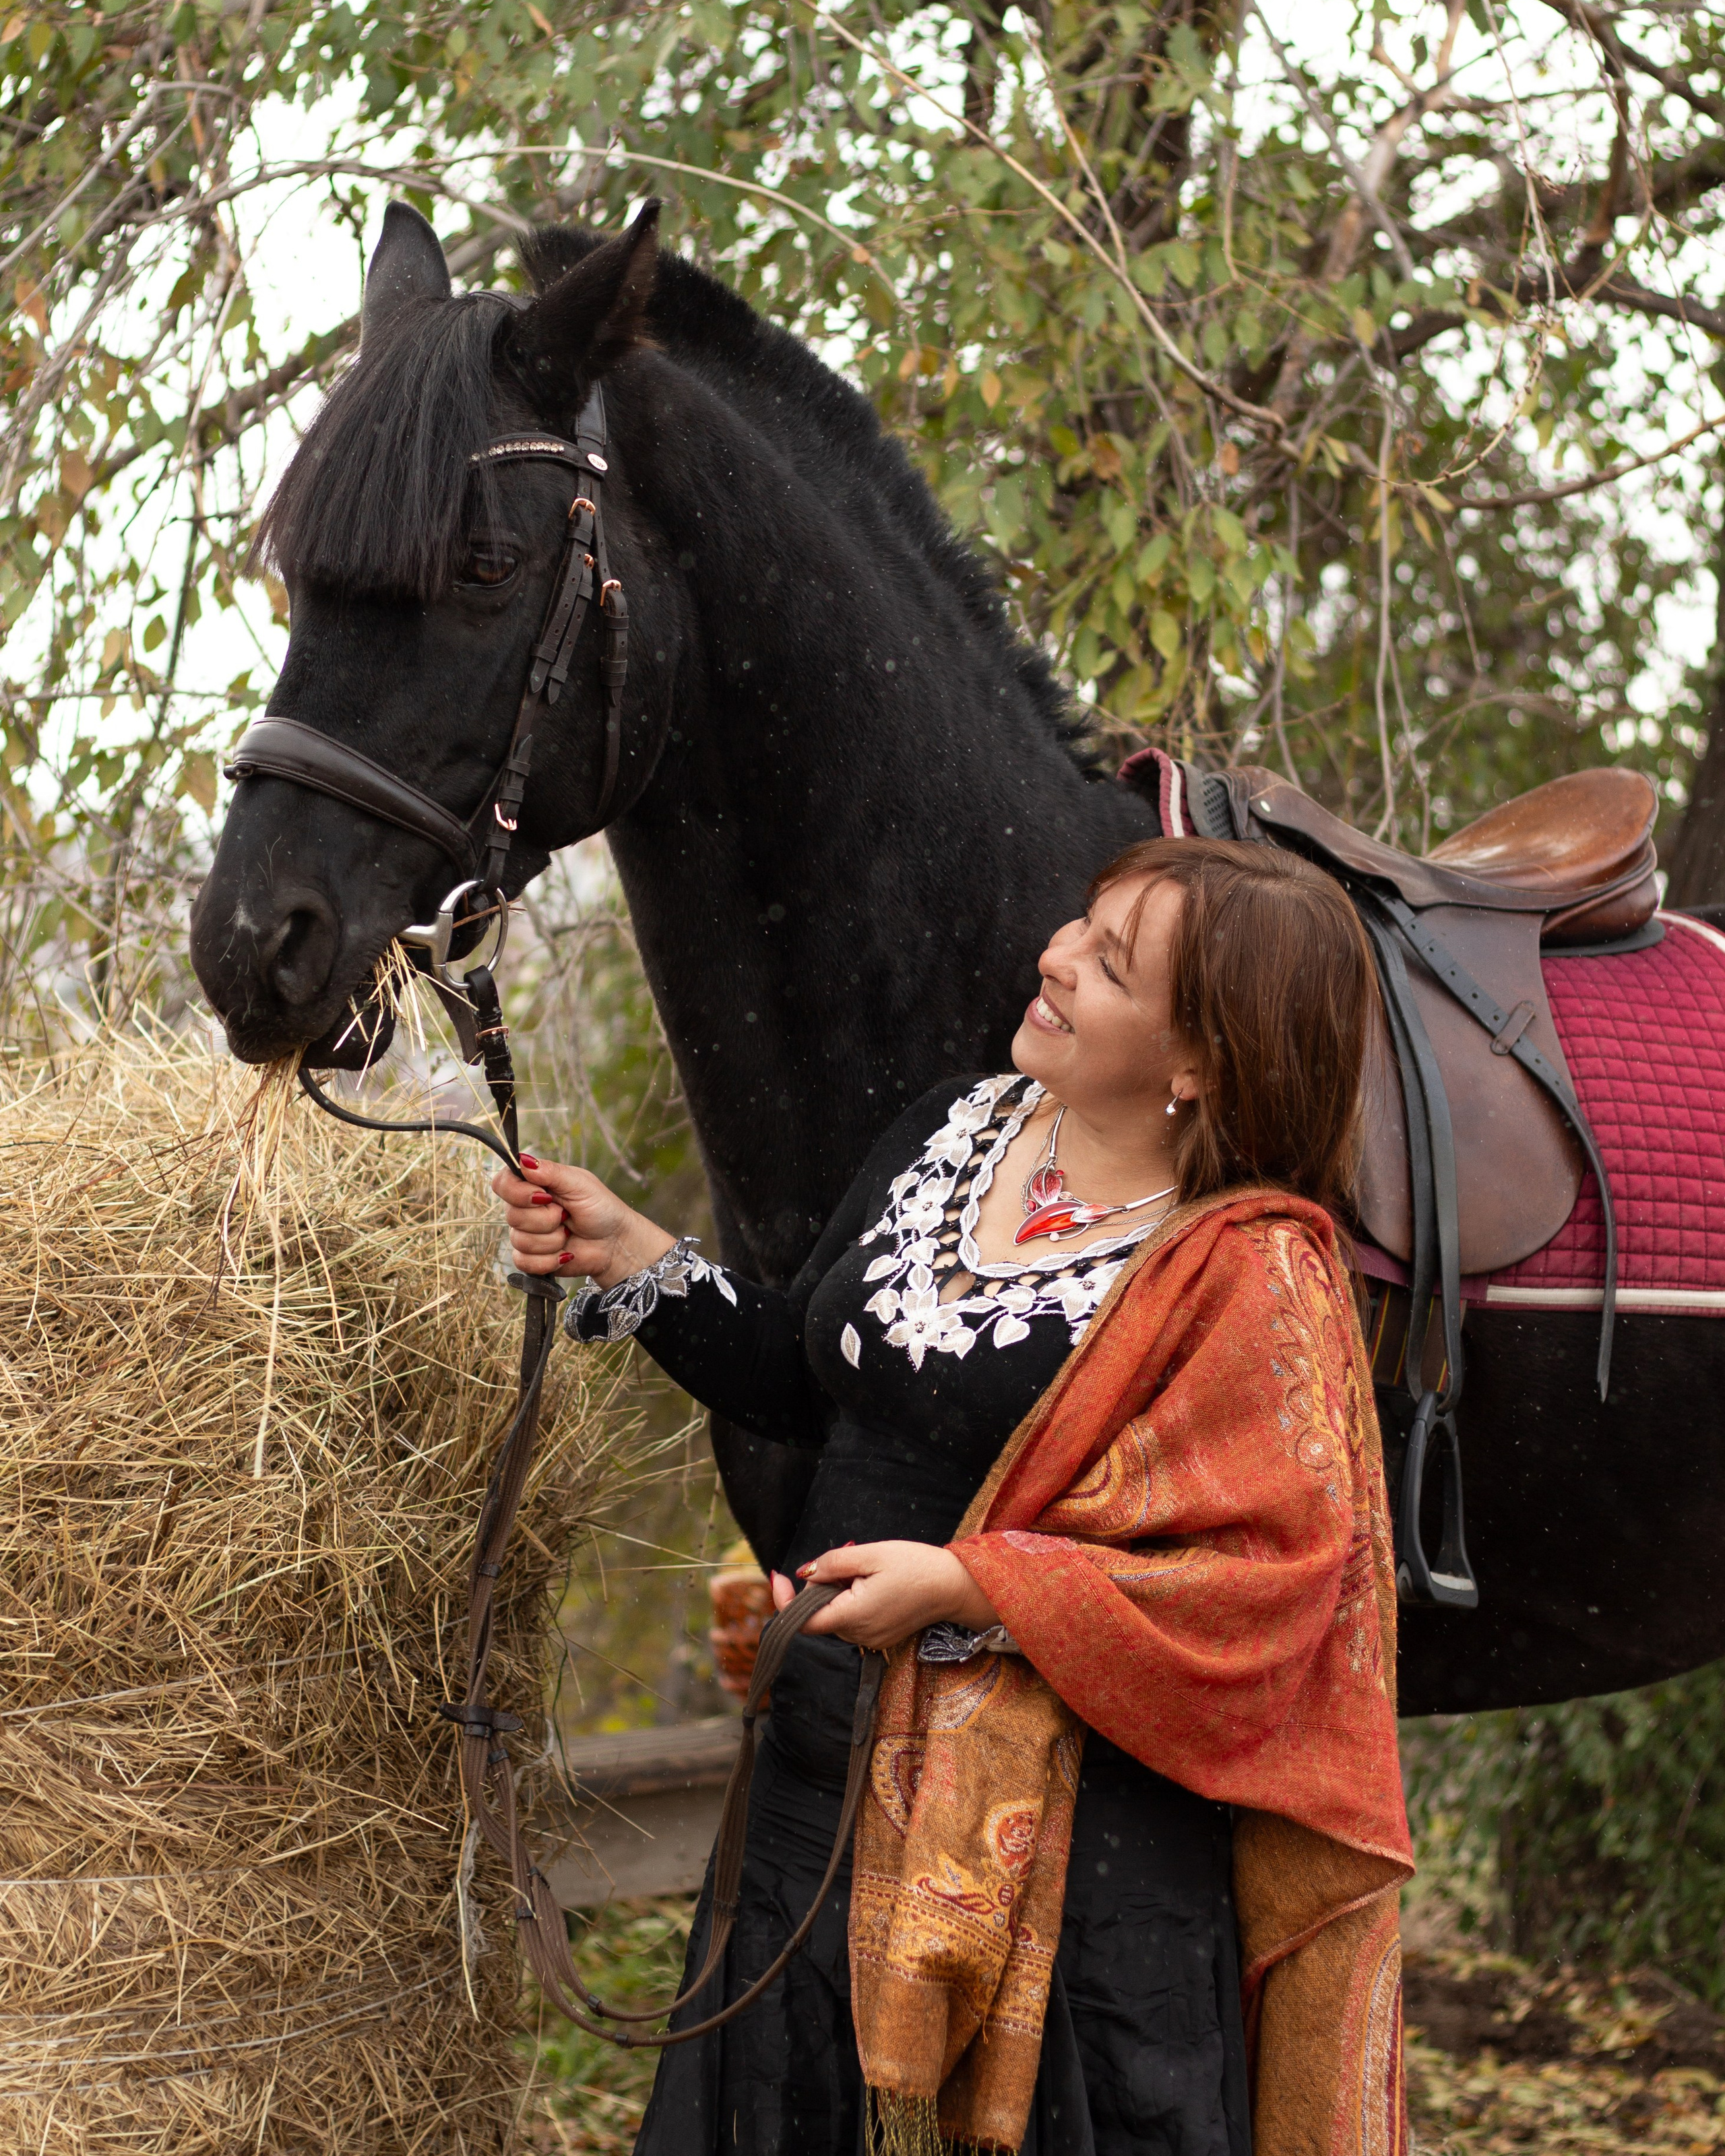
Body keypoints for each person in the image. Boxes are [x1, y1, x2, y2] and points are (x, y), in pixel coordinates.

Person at [494, 837, 1412, 2156]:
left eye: (1108, 962)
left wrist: (973, 1586)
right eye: (1078, 925)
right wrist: (633, 1252)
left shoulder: (1248, 1276)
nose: (1054, 956)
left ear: (1197, 1060)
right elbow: (818, 1382)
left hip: (1070, 1880)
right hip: (814, 1793)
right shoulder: (952, 1127)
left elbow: (1261, 1595)